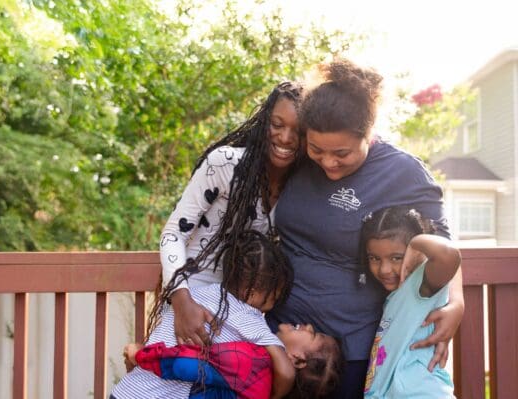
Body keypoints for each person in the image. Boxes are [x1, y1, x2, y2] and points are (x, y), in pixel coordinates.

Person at [266, 59, 465, 398]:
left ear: (368, 134)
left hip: (349, 350)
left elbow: (442, 238)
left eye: (342, 153)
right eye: (317, 150)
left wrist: (456, 303)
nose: (328, 162)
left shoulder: (401, 171)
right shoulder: (299, 158)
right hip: (280, 336)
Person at [157, 81, 304, 347]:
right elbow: (173, 233)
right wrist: (181, 300)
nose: (285, 137)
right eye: (277, 124)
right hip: (193, 299)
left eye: (298, 130)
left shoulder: (301, 185)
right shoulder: (225, 163)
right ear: (264, 122)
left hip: (244, 312)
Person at [113, 231, 341, 399]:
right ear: (255, 293)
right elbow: (285, 370)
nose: (308, 326)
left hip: (128, 390)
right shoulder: (249, 319)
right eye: (276, 292)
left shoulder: (193, 296)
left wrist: (139, 355)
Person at [360, 206, 460, 398]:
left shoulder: (421, 285)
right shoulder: (395, 295)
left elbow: (449, 254)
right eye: (374, 258)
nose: (384, 269)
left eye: (396, 258)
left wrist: (416, 242)